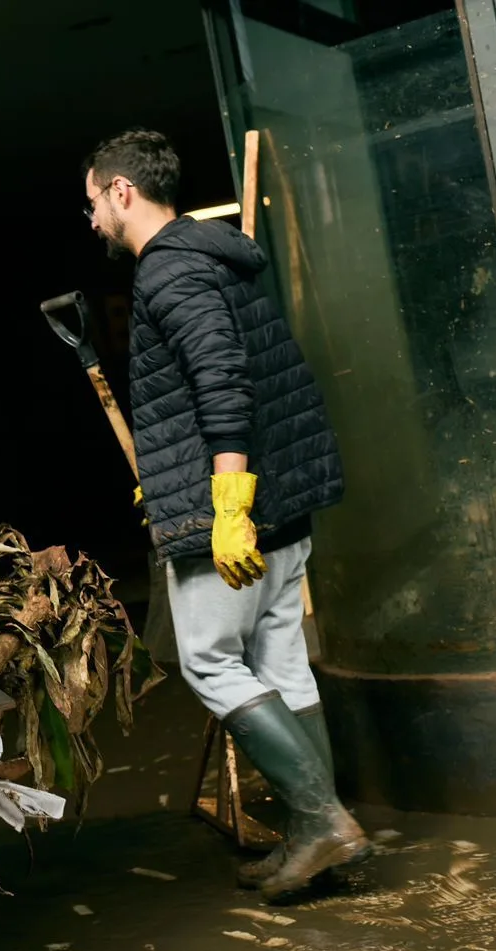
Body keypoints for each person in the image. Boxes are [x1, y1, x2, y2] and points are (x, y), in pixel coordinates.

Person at [81, 129, 370, 902]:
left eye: (93, 203)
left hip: (238, 513)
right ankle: (323, 837)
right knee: (280, 661)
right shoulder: (214, 258)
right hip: (281, 501)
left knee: (209, 661)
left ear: (121, 192)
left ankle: (321, 822)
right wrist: (176, 472)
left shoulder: (167, 273)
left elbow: (221, 378)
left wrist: (225, 500)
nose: (92, 221)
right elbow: (216, 382)